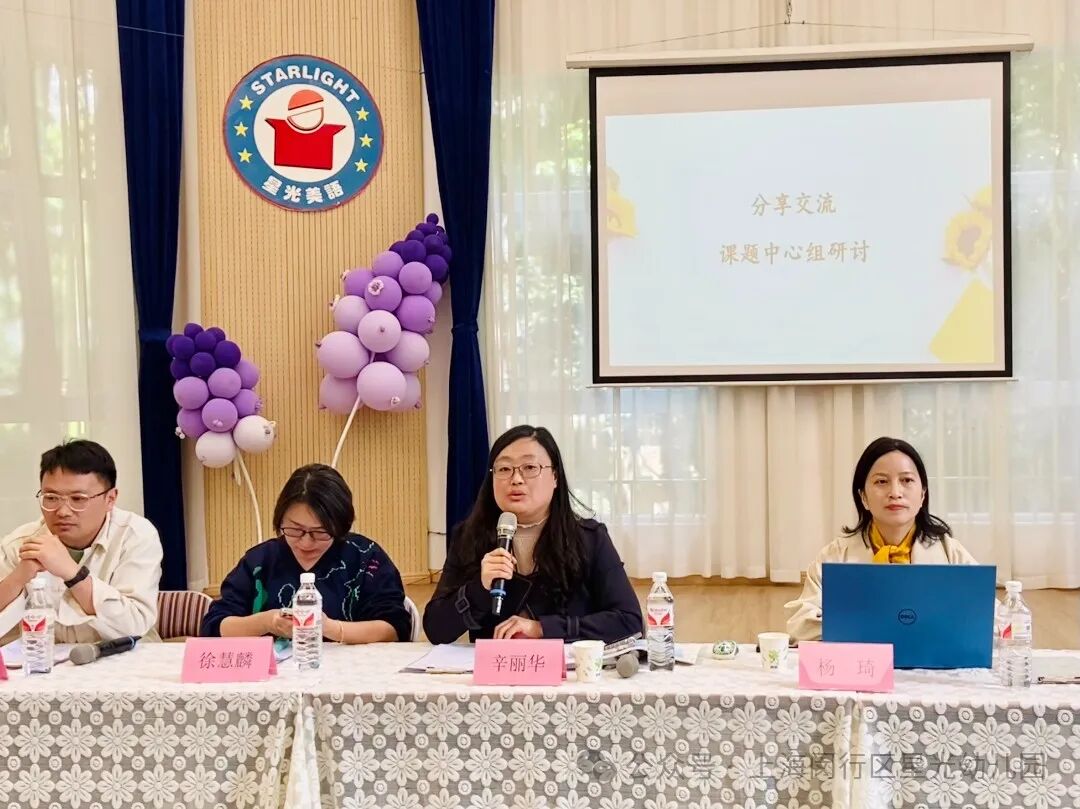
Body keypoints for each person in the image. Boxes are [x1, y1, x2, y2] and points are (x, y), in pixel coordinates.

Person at [424, 425, 642, 644]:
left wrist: (542, 628)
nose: (516, 479)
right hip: (497, 665)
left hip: (567, 665)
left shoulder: (589, 539)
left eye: (529, 467)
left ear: (555, 477)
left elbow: (630, 621)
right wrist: (479, 589)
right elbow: (435, 629)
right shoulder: (469, 537)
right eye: (504, 469)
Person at [786, 436, 977, 641]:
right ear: (863, 497)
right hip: (862, 661)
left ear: (923, 494)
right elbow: (800, 625)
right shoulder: (835, 556)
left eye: (906, 480)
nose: (895, 493)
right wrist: (877, 631)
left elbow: (989, 618)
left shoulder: (951, 553)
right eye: (881, 481)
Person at [201, 463, 411, 643]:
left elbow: (395, 628)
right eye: (295, 529)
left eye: (320, 532)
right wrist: (267, 622)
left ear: (340, 526)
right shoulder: (260, 561)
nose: (306, 542)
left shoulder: (365, 557)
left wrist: (331, 628)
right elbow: (215, 626)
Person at [0, 440, 162, 644]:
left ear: (110, 499)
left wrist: (72, 573)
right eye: (51, 498)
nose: (62, 511)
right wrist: (18, 577)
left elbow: (134, 624)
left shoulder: (135, 535)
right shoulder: (22, 543)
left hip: (127, 656)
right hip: (47, 660)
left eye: (78, 499)